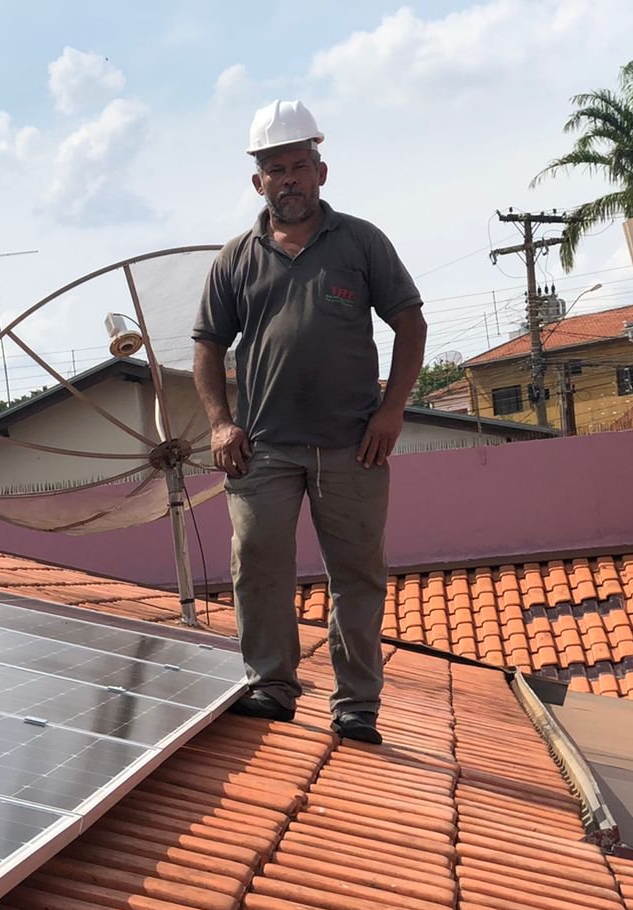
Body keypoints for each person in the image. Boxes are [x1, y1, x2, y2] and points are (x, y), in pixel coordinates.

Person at [192, 100, 427, 746]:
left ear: (322, 172)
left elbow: (410, 322)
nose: (289, 178)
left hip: (354, 446)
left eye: (300, 165)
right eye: (276, 168)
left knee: (356, 576)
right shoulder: (236, 258)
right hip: (262, 448)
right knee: (259, 567)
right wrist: (219, 422)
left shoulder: (361, 243)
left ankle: (357, 705)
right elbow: (207, 346)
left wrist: (393, 409)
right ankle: (270, 685)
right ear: (257, 182)